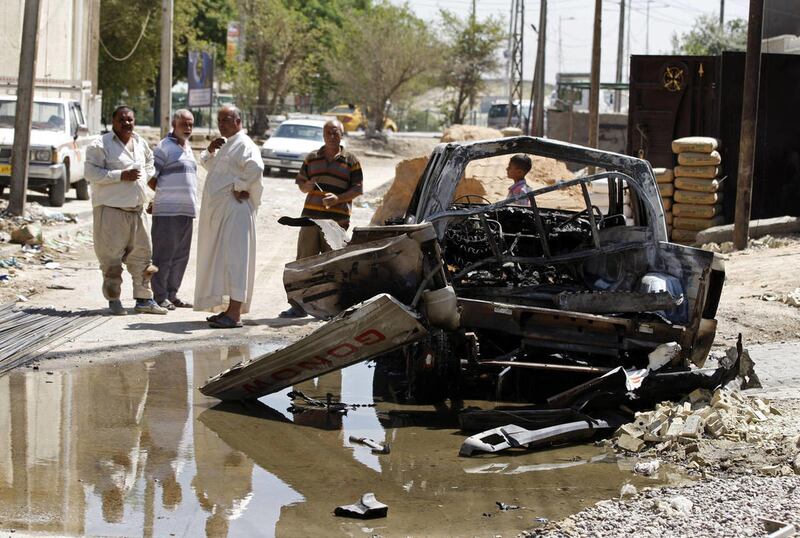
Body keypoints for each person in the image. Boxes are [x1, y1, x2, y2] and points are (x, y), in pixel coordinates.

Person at [85, 105, 168, 316]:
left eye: (130, 120)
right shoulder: (100, 144)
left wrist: (146, 177)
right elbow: (90, 173)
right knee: (111, 260)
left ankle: (144, 299)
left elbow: (150, 161)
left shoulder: (139, 142)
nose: (127, 123)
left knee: (142, 257)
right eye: (122, 120)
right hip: (111, 212)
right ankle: (114, 300)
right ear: (113, 122)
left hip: (137, 211)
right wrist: (120, 175)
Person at [279, 119, 363, 318]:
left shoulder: (351, 160)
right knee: (305, 262)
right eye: (328, 133)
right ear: (323, 135)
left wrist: (338, 198)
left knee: (334, 264)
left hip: (336, 223)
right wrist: (306, 186)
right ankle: (299, 306)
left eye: (335, 133)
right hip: (310, 219)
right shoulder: (311, 158)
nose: (331, 136)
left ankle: (336, 307)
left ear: (342, 135)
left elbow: (358, 189)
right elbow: (301, 182)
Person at [193, 105, 264, 328]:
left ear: (238, 120)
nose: (222, 124)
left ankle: (234, 314)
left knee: (236, 262)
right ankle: (228, 309)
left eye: (227, 119)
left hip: (236, 212)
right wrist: (211, 150)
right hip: (223, 214)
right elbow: (211, 167)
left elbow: (256, 167)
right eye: (219, 119)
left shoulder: (244, 144)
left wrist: (241, 185)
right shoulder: (228, 144)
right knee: (224, 262)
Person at [149, 109, 197, 310]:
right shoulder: (164, 147)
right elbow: (151, 179)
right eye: (184, 124)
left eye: (190, 125)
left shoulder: (188, 147)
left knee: (180, 257)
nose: (187, 128)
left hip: (186, 212)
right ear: (174, 125)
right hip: (167, 212)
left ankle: (172, 294)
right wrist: (162, 197)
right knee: (163, 256)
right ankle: (160, 296)